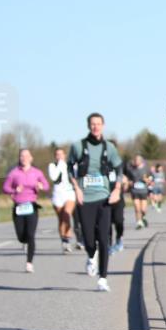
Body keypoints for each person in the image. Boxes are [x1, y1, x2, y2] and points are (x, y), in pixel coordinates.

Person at [69, 113, 123, 292]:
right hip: (85, 198)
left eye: (98, 124)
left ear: (103, 126)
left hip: (104, 197)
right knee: (89, 240)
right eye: (93, 124)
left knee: (104, 239)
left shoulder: (109, 147)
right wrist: (76, 188)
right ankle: (91, 255)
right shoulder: (78, 146)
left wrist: (116, 189)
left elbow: (118, 167)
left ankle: (103, 279)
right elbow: (70, 167)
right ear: (88, 126)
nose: (96, 127)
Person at [2, 148, 50, 272]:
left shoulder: (37, 172)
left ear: (31, 158)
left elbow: (46, 186)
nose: (24, 158)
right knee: (21, 237)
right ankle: (24, 242)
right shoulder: (14, 173)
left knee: (31, 235)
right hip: (18, 207)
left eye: (26, 156)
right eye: (22, 156)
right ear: (20, 158)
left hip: (31, 206)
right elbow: (5, 188)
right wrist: (14, 190)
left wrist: (40, 186)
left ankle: (29, 263)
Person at [48, 147, 77, 252]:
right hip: (57, 194)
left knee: (66, 215)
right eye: (57, 155)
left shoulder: (70, 165)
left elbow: (76, 176)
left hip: (69, 193)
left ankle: (68, 239)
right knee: (61, 220)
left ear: (65, 155)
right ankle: (64, 240)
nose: (59, 156)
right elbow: (54, 177)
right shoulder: (52, 166)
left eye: (61, 154)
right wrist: (59, 165)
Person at [127, 154, 151, 230]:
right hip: (134, 191)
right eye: (135, 160)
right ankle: (139, 222)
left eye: (138, 160)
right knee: (137, 208)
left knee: (143, 210)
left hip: (143, 191)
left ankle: (143, 218)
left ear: (141, 161)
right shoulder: (131, 169)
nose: (136, 161)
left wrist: (147, 180)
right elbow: (128, 178)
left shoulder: (146, 169)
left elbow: (150, 179)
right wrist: (129, 182)